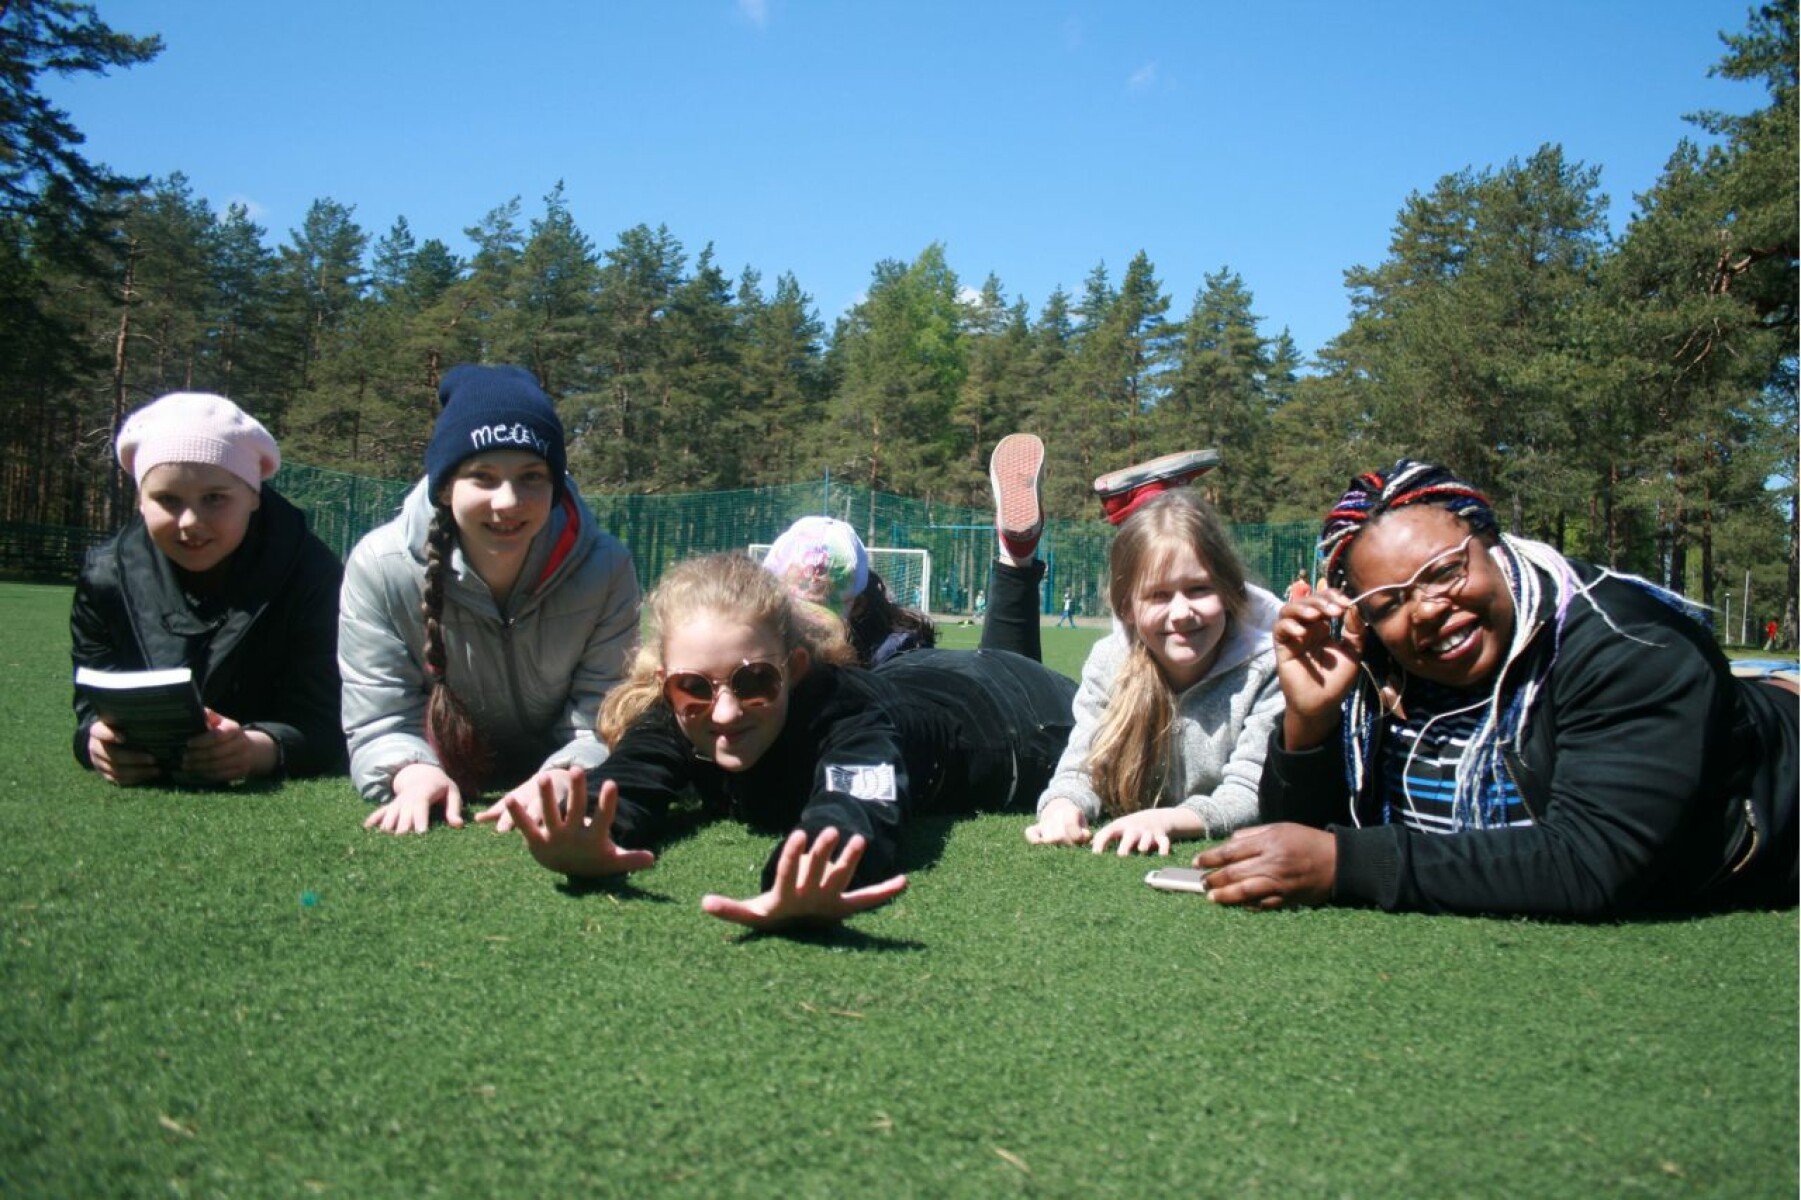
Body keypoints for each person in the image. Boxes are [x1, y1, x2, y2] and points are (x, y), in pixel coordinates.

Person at [1198, 460, 1798, 917]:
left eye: (1445, 570)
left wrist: (1350, 864)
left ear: (1493, 546)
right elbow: (1291, 842)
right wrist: (1310, 723)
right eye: (1391, 602)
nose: (1428, 609)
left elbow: (1595, 859)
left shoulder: (1632, 645)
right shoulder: (1375, 654)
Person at [491, 551, 1079, 930]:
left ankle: (1013, 565)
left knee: (1022, 673)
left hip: (1018, 718)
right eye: (694, 686)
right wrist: (589, 826)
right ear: (666, 682)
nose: (722, 711)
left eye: (754, 682)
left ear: (794, 668)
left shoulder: (850, 719)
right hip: (915, 681)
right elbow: (633, 775)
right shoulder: (678, 710)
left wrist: (801, 876)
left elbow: (856, 807)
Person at [338, 364, 641, 834]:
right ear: (445, 486)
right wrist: (412, 773)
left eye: (531, 477)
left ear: (555, 483)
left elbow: (604, 719)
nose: (508, 501)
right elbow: (378, 721)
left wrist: (562, 779)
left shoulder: (606, 569)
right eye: (482, 477)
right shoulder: (379, 567)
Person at [70, 392, 346, 784]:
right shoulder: (104, 577)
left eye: (214, 498)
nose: (189, 522)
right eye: (167, 500)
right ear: (140, 500)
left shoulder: (312, 574)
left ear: (253, 495)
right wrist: (95, 744)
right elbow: (90, 705)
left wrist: (256, 749)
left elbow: (327, 722)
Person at [1024, 490, 1283, 855]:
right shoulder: (1109, 662)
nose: (1181, 612)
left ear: (1227, 591)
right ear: (1127, 607)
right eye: (1158, 596)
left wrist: (1167, 820)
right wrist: (1063, 805)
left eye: (1198, 589)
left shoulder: (1266, 670)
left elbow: (1249, 791)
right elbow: (1082, 766)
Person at [761, 515, 935, 667]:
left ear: (858, 606)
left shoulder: (894, 661)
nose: (800, 630)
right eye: (789, 611)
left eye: (817, 612)